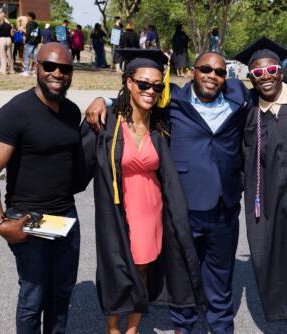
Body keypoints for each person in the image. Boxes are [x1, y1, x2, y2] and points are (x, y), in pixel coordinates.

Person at [84, 49, 287, 334]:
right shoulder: (173, 99)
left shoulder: (238, 97)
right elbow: (138, 94)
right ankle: (183, 327)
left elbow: (267, 82)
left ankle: (221, 327)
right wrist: (104, 100)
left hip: (224, 205)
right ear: (193, 71)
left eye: (220, 72)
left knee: (221, 275)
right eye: (206, 70)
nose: (213, 76)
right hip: (185, 205)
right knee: (183, 272)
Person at [80, 48, 204, 334]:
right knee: (116, 268)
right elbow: (76, 162)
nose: (151, 90)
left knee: (143, 269)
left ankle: (133, 328)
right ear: (129, 83)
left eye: (157, 86)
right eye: (144, 84)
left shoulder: (161, 121)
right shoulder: (107, 120)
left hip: (151, 208)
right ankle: (113, 329)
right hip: (118, 208)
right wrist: (102, 99)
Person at [0, 43, 81, 334]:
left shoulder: (72, 112)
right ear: (36, 67)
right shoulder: (15, 113)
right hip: (28, 217)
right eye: (50, 66)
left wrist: (103, 103)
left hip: (65, 217)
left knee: (61, 295)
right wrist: (0, 222)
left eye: (65, 68)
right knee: (33, 298)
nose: (57, 73)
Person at [234, 37, 287, 334]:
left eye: (270, 69)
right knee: (276, 251)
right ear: (250, 77)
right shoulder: (247, 109)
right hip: (267, 196)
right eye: (257, 73)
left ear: (281, 71)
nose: (265, 76)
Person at [22, 12, 41, 76]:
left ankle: (26, 71)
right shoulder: (36, 24)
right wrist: (38, 41)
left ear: (30, 17)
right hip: (35, 42)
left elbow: (28, 33)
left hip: (30, 42)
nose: (27, 18)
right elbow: (39, 34)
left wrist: (25, 41)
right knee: (35, 57)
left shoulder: (29, 24)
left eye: (27, 16)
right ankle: (35, 72)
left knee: (27, 56)